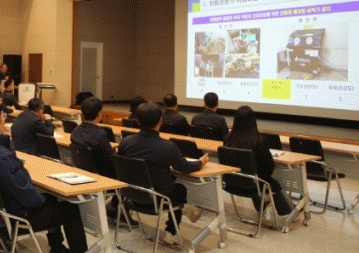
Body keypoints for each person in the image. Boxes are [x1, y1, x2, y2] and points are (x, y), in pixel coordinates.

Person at [0, 100, 105, 253]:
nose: (6, 121)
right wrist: (42, 198)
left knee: (51, 199)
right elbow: (28, 196)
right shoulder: (1, 155)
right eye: (3, 118)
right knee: (70, 208)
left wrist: (7, 141)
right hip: (18, 218)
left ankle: (58, 251)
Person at [118, 102, 208, 244]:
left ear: (138, 121)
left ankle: (184, 210)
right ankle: (171, 232)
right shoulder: (167, 146)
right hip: (157, 199)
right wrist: (200, 163)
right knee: (180, 189)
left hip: (130, 195)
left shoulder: (125, 142)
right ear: (161, 121)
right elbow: (184, 167)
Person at [223, 106, 293, 217]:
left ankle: (262, 205)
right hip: (253, 186)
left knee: (255, 177)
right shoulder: (260, 141)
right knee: (269, 181)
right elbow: (269, 168)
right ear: (253, 121)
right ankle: (289, 213)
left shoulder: (227, 139)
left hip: (231, 183)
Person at [70, 97, 115, 179]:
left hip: (84, 171)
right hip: (102, 174)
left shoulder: (75, 131)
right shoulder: (100, 135)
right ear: (99, 114)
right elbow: (110, 160)